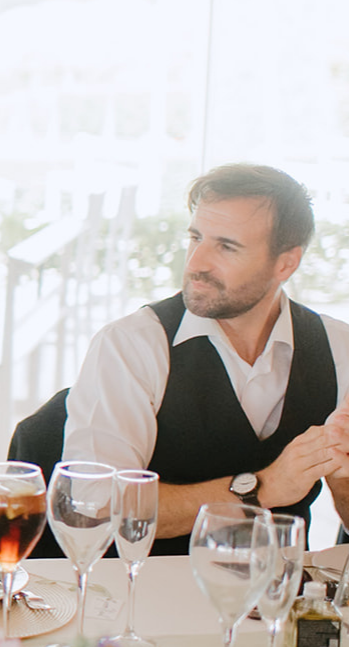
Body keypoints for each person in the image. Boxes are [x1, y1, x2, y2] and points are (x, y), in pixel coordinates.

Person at [60, 164, 349, 555]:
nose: (196, 262)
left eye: (226, 247)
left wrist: (344, 475)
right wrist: (261, 488)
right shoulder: (131, 346)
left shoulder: (339, 349)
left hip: (278, 604)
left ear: (286, 263)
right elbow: (97, 506)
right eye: (195, 237)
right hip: (146, 600)